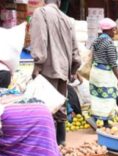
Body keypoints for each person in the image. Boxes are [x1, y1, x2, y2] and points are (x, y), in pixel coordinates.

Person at [30, 0, 81, 145]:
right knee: (60, 108)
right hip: (63, 69)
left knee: (46, 108)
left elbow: (40, 39)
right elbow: (75, 49)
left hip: (48, 68)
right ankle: (61, 142)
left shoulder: (41, 13)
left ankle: (48, 145)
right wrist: (74, 68)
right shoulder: (67, 19)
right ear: (58, 2)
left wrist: (38, 64)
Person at [89, 18, 118, 126]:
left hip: (95, 72)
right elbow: (113, 63)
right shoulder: (108, 43)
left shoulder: (96, 41)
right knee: (108, 97)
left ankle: (103, 121)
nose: (114, 32)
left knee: (97, 97)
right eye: (113, 30)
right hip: (105, 74)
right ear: (108, 30)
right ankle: (96, 120)